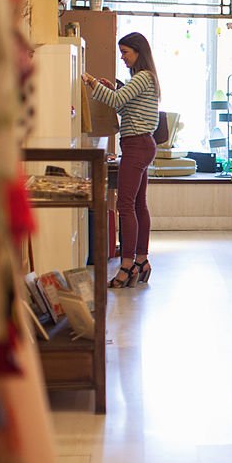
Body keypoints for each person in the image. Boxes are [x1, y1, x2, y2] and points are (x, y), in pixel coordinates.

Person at [81, 32, 160, 288]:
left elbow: (115, 101)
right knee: (137, 204)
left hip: (136, 144)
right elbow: (123, 106)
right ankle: (141, 260)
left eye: (126, 52)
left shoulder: (143, 77)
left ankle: (127, 265)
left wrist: (93, 83)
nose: (123, 57)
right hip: (141, 143)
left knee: (125, 205)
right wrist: (112, 86)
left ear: (138, 52)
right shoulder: (143, 79)